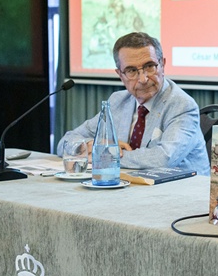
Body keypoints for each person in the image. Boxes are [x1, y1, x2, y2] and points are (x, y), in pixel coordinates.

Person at [57, 32, 209, 175]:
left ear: (162, 65)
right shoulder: (117, 101)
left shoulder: (182, 105)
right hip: (132, 186)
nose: (143, 79)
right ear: (120, 75)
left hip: (180, 190)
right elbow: (65, 142)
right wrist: (89, 145)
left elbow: (163, 159)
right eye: (131, 71)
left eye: (149, 66)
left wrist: (103, 154)